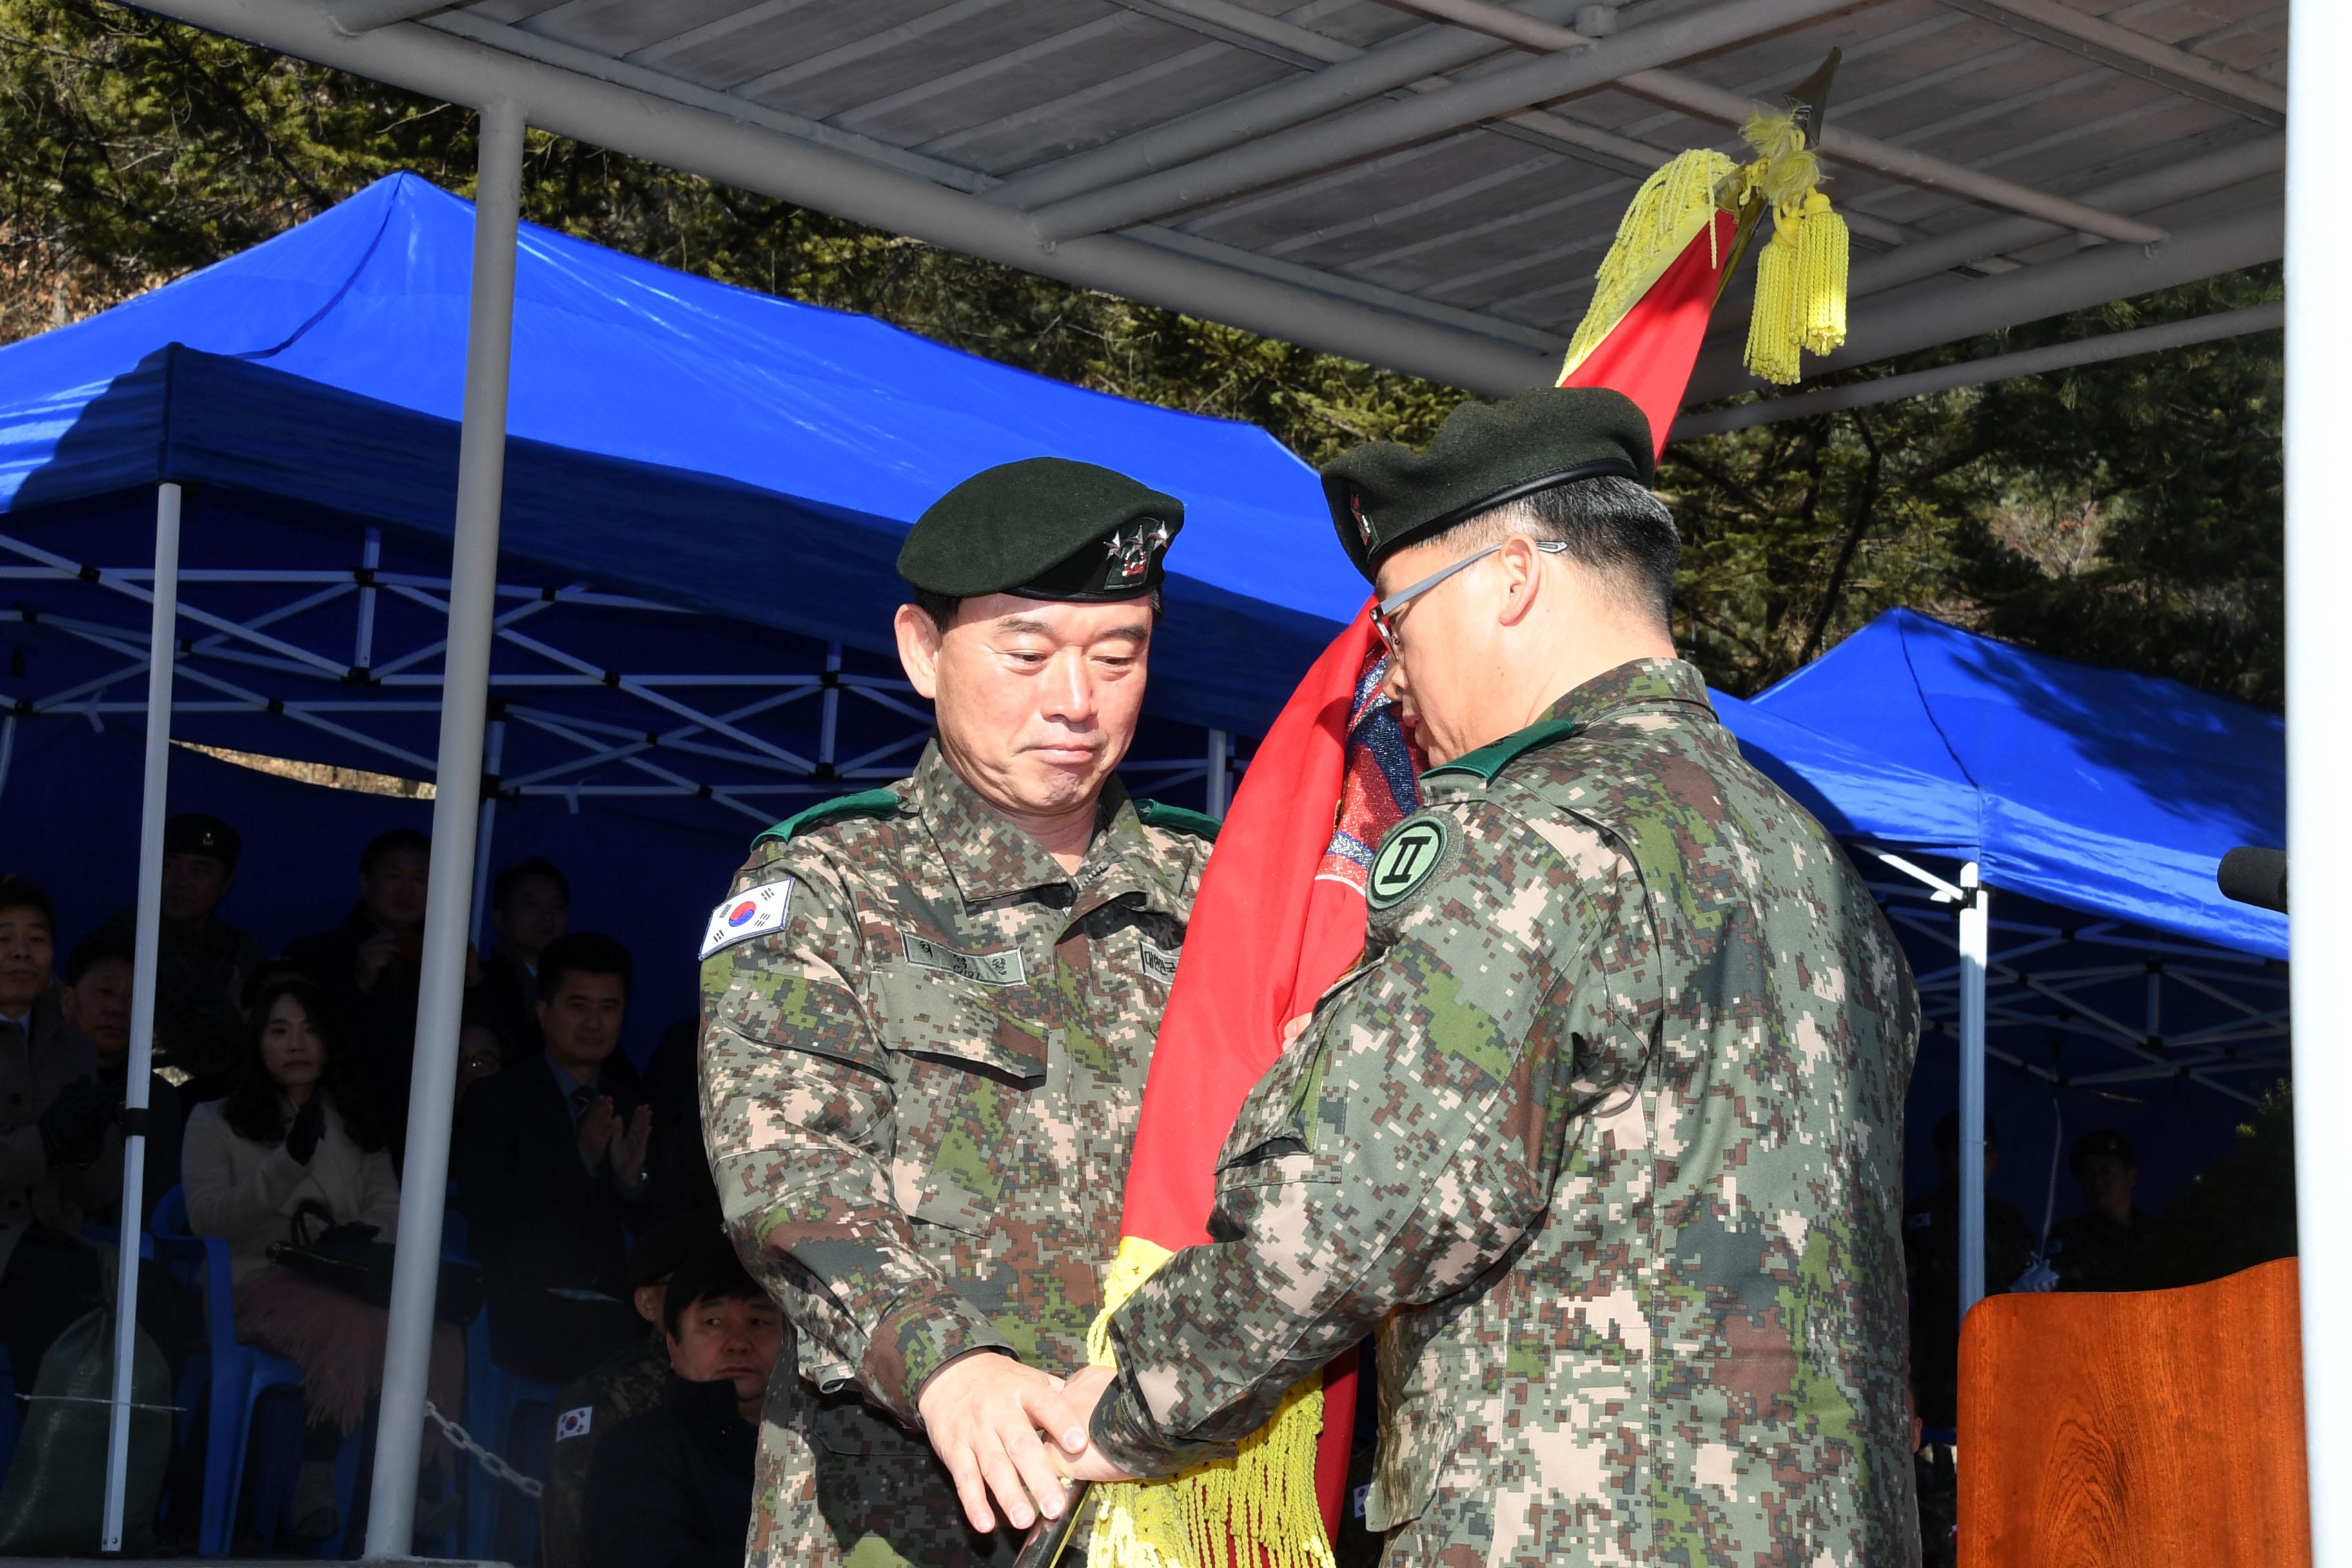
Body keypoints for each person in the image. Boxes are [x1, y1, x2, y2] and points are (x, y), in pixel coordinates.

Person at [1049, 388, 1923, 1565]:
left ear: (1511, 579)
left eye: (1397, 620)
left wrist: (1125, 1404)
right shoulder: (1814, 867)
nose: (1391, 676)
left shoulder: (1530, 840)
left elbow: (1345, 1215)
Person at [697, 456, 1217, 1565]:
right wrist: (944, 1362)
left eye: (1117, 656)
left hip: (1165, 1505)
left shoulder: (1223, 898)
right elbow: (785, 1180)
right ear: (922, 650)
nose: (1075, 700)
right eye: (1026, 654)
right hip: (893, 1511)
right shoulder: (824, 888)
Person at [180, 978, 463, 1539]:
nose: (296, 1045)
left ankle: (418, 1485)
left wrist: (348, 1237)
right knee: (355, 1325)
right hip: (252, 1283)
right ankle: (318, 1476)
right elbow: (208, 1219)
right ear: (256, 1042)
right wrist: (287, 1162)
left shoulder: (355, 1122)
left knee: (441, 1334)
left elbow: (392, 1210)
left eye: (310, 1031)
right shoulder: (214, 1120)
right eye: (279, 1031)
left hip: (345, 1277)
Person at [453, 931, 650, 1384]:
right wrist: (579, 1159)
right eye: (578, 1006)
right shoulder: (498, 1099)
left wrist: (631, 1182)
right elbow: (485, 1207)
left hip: (613, 1306)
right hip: (520, 1302)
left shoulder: (631, 1104)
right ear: (544, 1012)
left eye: (609, 1008)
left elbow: (655, 1221)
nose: (593, 1023)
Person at [578, 1232, 782, 1568]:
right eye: (713, 1322)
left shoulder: (824, 1447)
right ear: (674, 1345)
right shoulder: (637, 1450)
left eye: (758, 1321)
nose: (737, 1343)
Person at [543, 1208, 720, 1568]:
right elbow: (578, 1534)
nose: (711, 1300)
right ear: (647, 1304)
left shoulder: (756, 1383)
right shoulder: (604, 1393)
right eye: (687, 1286)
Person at [0, 877, 110, 1383]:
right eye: (3, 939)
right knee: (59, 1281)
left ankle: (147, 1462)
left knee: (152, 1292)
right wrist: (43, 1144)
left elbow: (95, 1191)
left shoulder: (75, 1045)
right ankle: (42, 1457)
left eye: (37, 938)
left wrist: (86, 1154)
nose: (21, 953)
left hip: (56, 1241)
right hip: (31, 1261)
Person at [283, 828, 436, 1150]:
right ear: (366, 883)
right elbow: (295, 1044)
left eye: (421, 879)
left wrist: (475, 983)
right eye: (394, 876)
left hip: (424, 1133)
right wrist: (358, 985)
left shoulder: (448, 959)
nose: (407, 891)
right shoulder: (314, 954)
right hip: (331, 1131)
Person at [98, 814, 266, 1099]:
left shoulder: (240, 950)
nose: (180, 881)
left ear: (226, 883)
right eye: (169, 865)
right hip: (131, 1095)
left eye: (200, 871)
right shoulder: (125, 936)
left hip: (220, 1101)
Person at [1904, 1111, 2036, 1438]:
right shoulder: (1924, 1215)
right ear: (1941, 1156)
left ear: (1995, 1157)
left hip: (2004, 1366)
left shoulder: (2010, 1221)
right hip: (1938, 1368)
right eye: (1960, 1151)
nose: (1972, 1161)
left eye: (1982, 1151)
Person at [58, 928, 183, 1219]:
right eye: (105, 993)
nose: (117, 1008)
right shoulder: (35, 1080)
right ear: (67, 1000)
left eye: (132, 997)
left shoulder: (159, 1098)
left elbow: (157, 1207)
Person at [474, 859, 570, 1059]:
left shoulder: (576, 986)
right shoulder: (480, 982)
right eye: (531, 905)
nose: (547, 917)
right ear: (499, 920)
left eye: (556, 906)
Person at [2048, 1129, 2151, 1293]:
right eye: (2088, 1174)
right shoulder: (2069, 1236)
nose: (2097, 1182)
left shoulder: (2156, 1235)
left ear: (2131, 1177)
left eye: (2107, 1172)